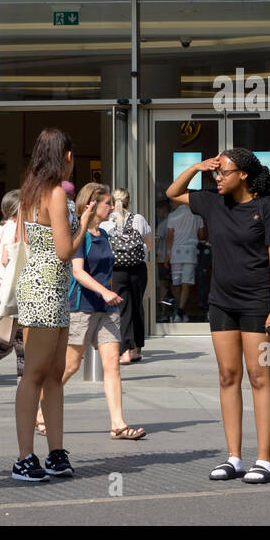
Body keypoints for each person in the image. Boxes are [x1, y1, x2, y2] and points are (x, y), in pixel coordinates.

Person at [167, 148, 270, 484]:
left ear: (243, 175)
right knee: (227, 377)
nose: (217, 178)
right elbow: (172, 193)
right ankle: (234, 458)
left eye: (223, 172)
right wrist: (196, 166)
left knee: (259, 376)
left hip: (258, 305)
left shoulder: (267, 208)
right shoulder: (212, 203)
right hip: (221, 304)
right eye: (215, 173)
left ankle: (265, 460)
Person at [11, 128, 88, 482]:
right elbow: (64, 250)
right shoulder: (55, 193)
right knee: (36, 376)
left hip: (46, 286)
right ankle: (25, 458)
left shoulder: (30, 191)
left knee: (52, 375)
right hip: (46, 287)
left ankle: (55, 452)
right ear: (67, 156)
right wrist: (84, 223)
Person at [61, 183, 146, 440]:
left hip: (107, 309)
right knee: (71, 365)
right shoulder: (78, 235)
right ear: (92, 205)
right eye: (108, 203)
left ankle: (118, 424)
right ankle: (41, 407)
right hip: (82, 307)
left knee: (112, 366)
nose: (112, 207)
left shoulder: (105, 235)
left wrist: (108, 295)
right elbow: (78, 272)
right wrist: (104, 291)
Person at [101, 188, 152, 364]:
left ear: (112, 203)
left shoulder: (106, 222)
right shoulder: (138, 219)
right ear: (129, 202)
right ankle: (136, 349)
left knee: (122, 309)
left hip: (116, 270)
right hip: (138, 269)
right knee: (137, 306)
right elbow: (148, 245)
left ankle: (124, 352)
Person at [0, 190, 25, 371]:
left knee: (10, 342)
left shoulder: (0, 228)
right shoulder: (14, 228)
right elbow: (6, 258)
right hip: (10, 290)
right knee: (10, 343)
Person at [165, 196, 206, 321]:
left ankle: (179, 311)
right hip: (191, 253)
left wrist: (167, 254)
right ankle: (181, 311)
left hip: (176, 253)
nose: (171, 204)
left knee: (176, 283)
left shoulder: (172, 216)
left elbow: (170, 237)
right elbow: (202, 236)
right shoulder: (197, 216)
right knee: (186, 283)